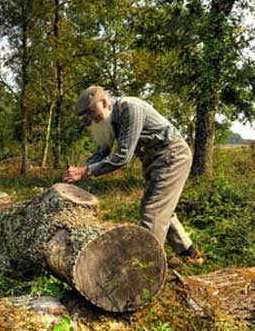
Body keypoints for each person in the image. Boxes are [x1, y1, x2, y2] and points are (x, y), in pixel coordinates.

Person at [63, 86, 203, 266]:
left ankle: (146, 266)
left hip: (172, 155)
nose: (91, 119)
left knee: (153, 209)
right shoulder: (107, 120)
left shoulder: (130, 108)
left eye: (91, 113)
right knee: (161, 207)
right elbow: (102, 152)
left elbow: (123, 157)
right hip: (153, 159)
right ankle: (190, 254)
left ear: (104, 102)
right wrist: (80, 171)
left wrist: (85, 172)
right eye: (87, 116)